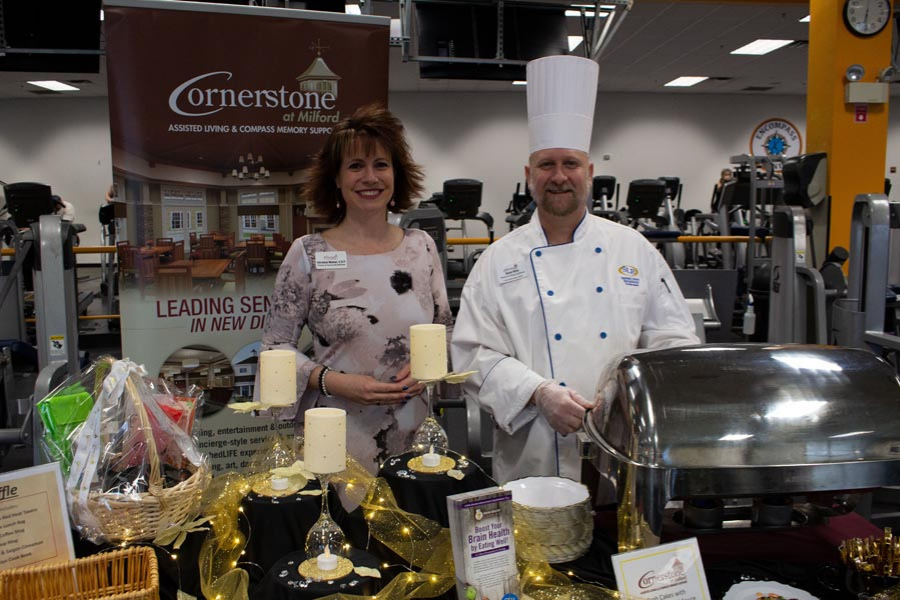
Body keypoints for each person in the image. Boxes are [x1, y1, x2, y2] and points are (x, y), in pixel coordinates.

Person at [450, 56, 699, 484]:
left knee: (624, 539)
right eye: (547, 165)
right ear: (529, 175)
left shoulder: (633, 249)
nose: (559, 176)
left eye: (570, 164)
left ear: (590, 172)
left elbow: (675, 342)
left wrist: (625, 394)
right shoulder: (497, 261)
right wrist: (538, 393)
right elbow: (472, 356)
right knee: (542, 547)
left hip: (628, 442)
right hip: (534, 451)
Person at [261, 104, 452, 477]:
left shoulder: (421, 247)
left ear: (396, 174)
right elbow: (274, 347)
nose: (370, 177)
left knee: (412, 527)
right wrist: (333, 381)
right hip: (335, 435)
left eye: (381, 165)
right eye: (355, 166)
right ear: (336, 178)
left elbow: (445, 328)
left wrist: (427, 368)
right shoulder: (309, 253)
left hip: (414, 429)